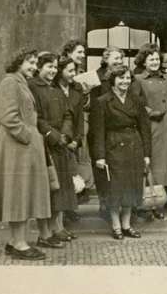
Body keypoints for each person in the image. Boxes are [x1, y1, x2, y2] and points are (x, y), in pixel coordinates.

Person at [0, 48, 51, 260]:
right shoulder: (10, 82)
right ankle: (20, 244)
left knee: (20, 195)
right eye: (30, 62)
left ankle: (15, 242)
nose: (34, 66)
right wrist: (29, 136)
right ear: (18, 62)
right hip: (17, 149)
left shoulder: (19, 81)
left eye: (35, 63)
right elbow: (8, 116)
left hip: (22, 149)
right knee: (19, 194)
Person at [91, 65, 152, 240]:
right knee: (116, 187)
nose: (125, 81)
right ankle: (116, 225)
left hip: (134, 146)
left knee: (132, 186)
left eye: (127, 78)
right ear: (112, 80)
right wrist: (100, 156)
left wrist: (147, 154)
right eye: (121, 78)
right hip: (113, 146)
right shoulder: (102, 101)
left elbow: (145, 129)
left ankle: (126, 225)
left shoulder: (137, 100)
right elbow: (99, 132)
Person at [29, 52, 78, 247]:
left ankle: (57, 228)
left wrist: (65, 134)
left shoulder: (56, 87)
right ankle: (46, 233)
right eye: (49, 66)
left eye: (55, 67)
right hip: (45, 145)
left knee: (62, 188)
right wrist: (55, 136)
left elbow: (68, 112)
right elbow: (36, 117)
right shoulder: (32, 87)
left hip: (60, 145)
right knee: (49, 189)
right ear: (39, 67)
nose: (53, 70)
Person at [130, 44, 167, 216]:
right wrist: (150, 112)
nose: (155, 62)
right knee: (148, 164)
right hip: (148, 125)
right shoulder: (138, 79)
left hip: (164, 127)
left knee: (161, 165)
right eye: (151, 59)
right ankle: (144, 204)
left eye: (157, 59)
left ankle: (157, 203)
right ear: (144, 61)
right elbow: (135, 102)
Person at [87, 46, 125, 219]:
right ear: (106, 58)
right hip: (98, 128)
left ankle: (116, 204)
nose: (119, 61)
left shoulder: (122, 77)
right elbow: (89, 105)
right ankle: (104, 203)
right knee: (101, 167)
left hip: (116, 129)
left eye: (121, 58)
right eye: (115, 58)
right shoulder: (94, 77)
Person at [54, 57, 87, 221]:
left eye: (75, 70)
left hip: (72, 137)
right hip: (56, 137)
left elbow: (80, 116)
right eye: (70, 71)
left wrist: (77, 138)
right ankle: (60, 215)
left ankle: (69, 209)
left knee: (72, 175)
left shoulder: (77, 88)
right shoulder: (52, 87)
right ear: (60, 71)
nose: (74, 74)